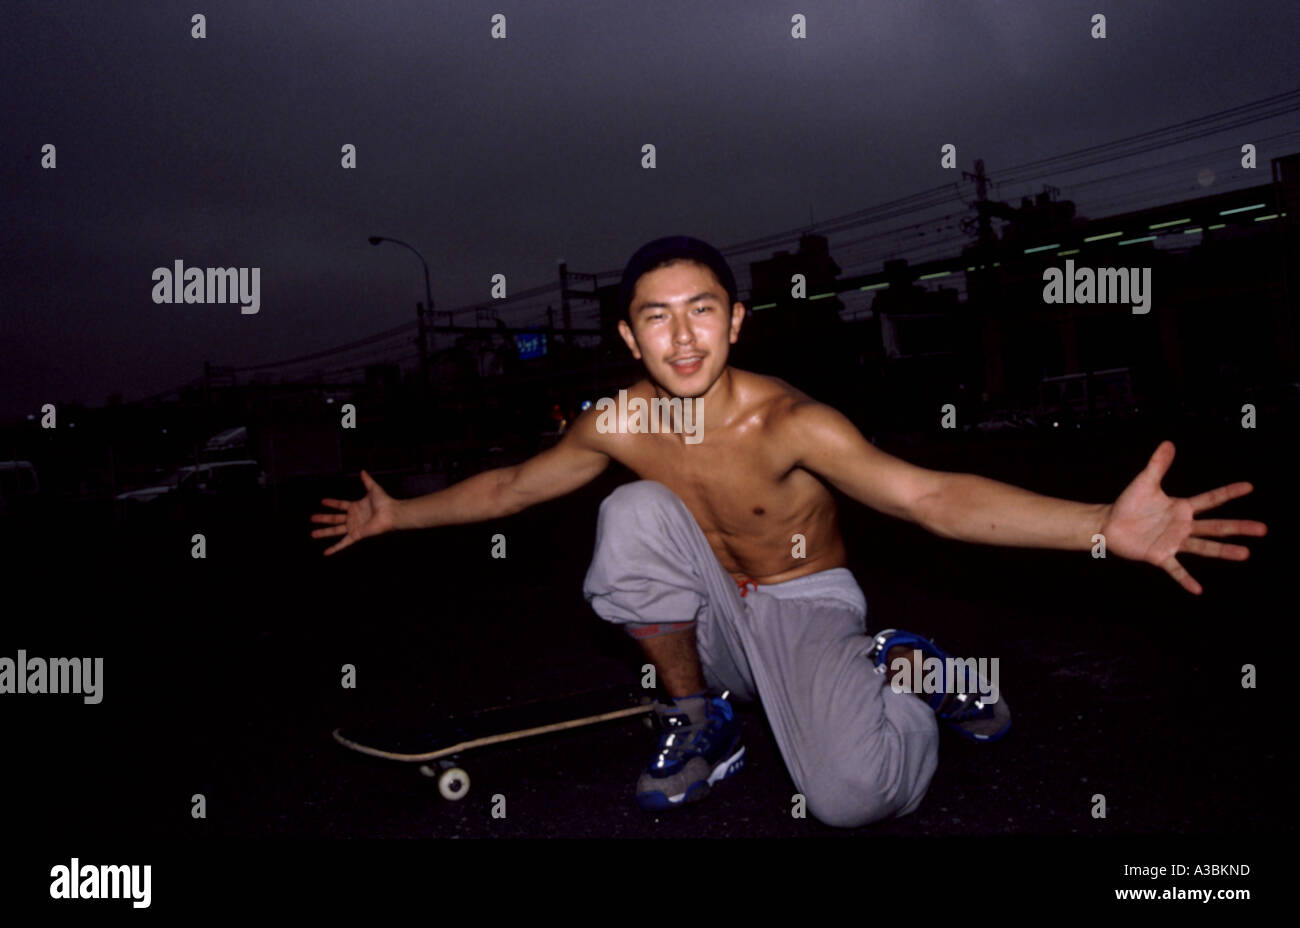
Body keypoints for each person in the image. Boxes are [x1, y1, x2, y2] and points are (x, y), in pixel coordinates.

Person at [311, 235, 1267, 827]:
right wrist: (398, 513)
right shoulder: (617, 421)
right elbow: (514, 487)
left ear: (735, 322)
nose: (683, 338)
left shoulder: (792, 422)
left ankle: (906, 671)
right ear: (630, 339)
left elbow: (928, 497)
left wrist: (1100, 524)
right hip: (715, 622)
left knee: (853, 798)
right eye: (657, 320)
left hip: (806, 604)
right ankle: (700, 719)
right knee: (629, 514)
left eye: (701, 313)